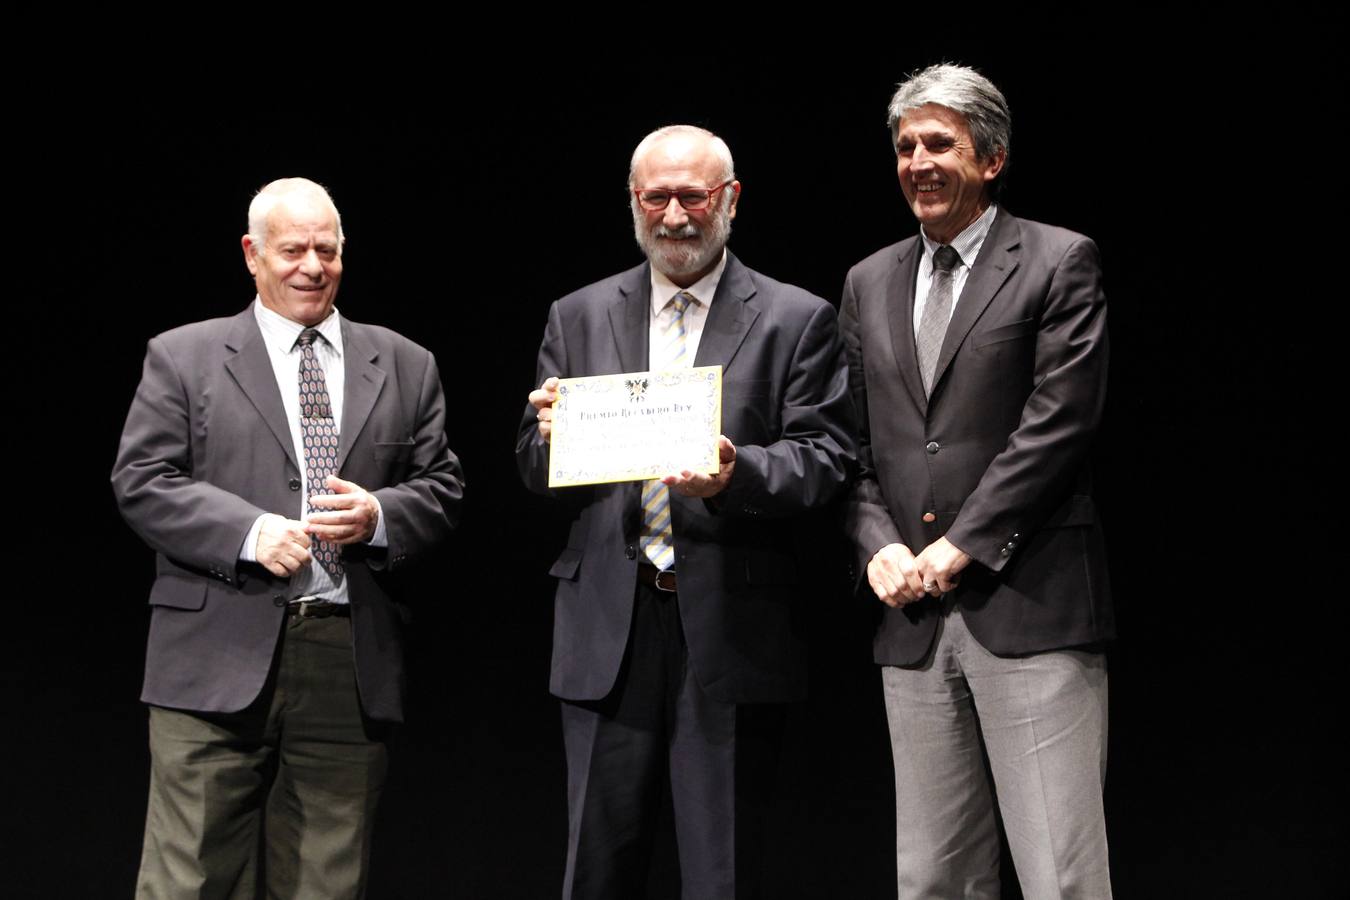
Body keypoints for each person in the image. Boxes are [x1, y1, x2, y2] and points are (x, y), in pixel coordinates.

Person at [517, 125, 855, 899]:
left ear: (729, 200)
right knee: (595, 871)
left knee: (723, 873)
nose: (674, 215)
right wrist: (544, 438)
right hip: (609, 626)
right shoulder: (578, 314)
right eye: (656, 197)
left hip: (732, 630)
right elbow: (533, 468)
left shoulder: (795, 318)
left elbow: (829, 457)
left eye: (692, 196)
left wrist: (738, 473)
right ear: (633, 203)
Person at [111, 177, 464, 898]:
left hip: (345, 655)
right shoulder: (185, 356)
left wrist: (379, 516)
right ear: (252, 253)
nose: (312, 265)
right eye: (293, 249)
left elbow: (442, 487)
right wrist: (247, 530)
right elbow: (141, 478)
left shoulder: (404, 362)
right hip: (213, 653)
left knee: (326, 884)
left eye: (326, 249)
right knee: (191, 877)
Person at [839, 65, 1115, 898]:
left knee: (1059, 877)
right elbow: (847, 443)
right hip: (913, 620)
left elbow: (1058, 423)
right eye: (905, 146)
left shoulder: (1058, 261)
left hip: (1027, 602)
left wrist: (963, 544)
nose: (918, 161)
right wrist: (876, 543)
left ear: (991, 158)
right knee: (932, 881)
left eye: (940, 144)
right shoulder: (867, 280)